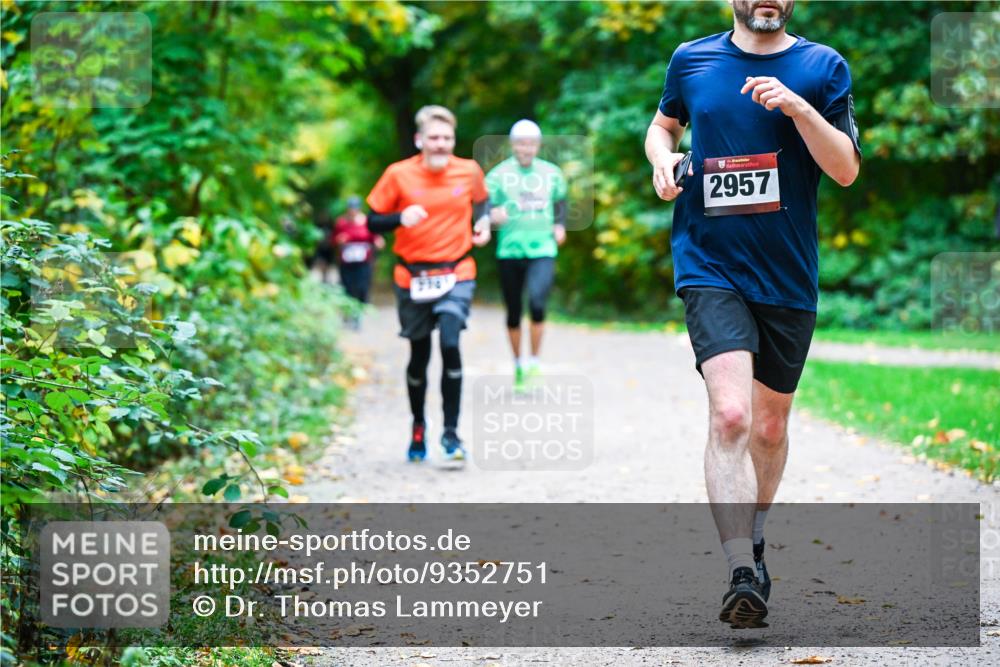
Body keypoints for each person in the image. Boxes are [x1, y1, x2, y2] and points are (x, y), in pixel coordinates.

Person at [644, 0, 861, 628]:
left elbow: (845, 170)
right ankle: (741, 569)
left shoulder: (822, 66)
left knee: (768, 428)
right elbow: (663, 128)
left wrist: (797, 106)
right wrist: (662, 159)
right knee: (731, 414)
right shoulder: (693, 58)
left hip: (787, 272)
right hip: (709, 263)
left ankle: (757, 540)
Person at [366, 105, 492, 466]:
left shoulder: (468, 171)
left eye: (447, 138)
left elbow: (483, 203)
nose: (441, 145)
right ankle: (418, 425)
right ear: (420, 140)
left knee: (451, 342)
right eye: (434, 138)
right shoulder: (398, 174)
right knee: (419, 356)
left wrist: (482, 225)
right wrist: (398, 218)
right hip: (412, 276)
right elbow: (373, 221)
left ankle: (451, 435)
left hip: (456, 271)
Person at [486, 120, 568, 391]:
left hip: (542, 249)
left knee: (537, 304)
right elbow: (482, 206)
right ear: (513, 145)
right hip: (509, 250)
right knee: (513, 311)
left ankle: (533, 361)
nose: (526, 148)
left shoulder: (551, 173)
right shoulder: (498, 176)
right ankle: (518, 363)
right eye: (521, 143)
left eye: (531, 143)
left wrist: (559, 224)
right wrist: (490, 216)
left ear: (538, 145)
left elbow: (560, 201)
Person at [332, 195, 383, 322]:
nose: (352, 210)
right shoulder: (341, 223)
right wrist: (339, 241)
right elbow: (333, 240)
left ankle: (359, 313)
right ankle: (348, 312)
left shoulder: (367, 222)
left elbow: (375, 238)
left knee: (362, 287)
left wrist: (378, 242)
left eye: (355, 207)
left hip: (364, 262)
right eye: (350, 207)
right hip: (346, 262)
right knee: (347, 287)